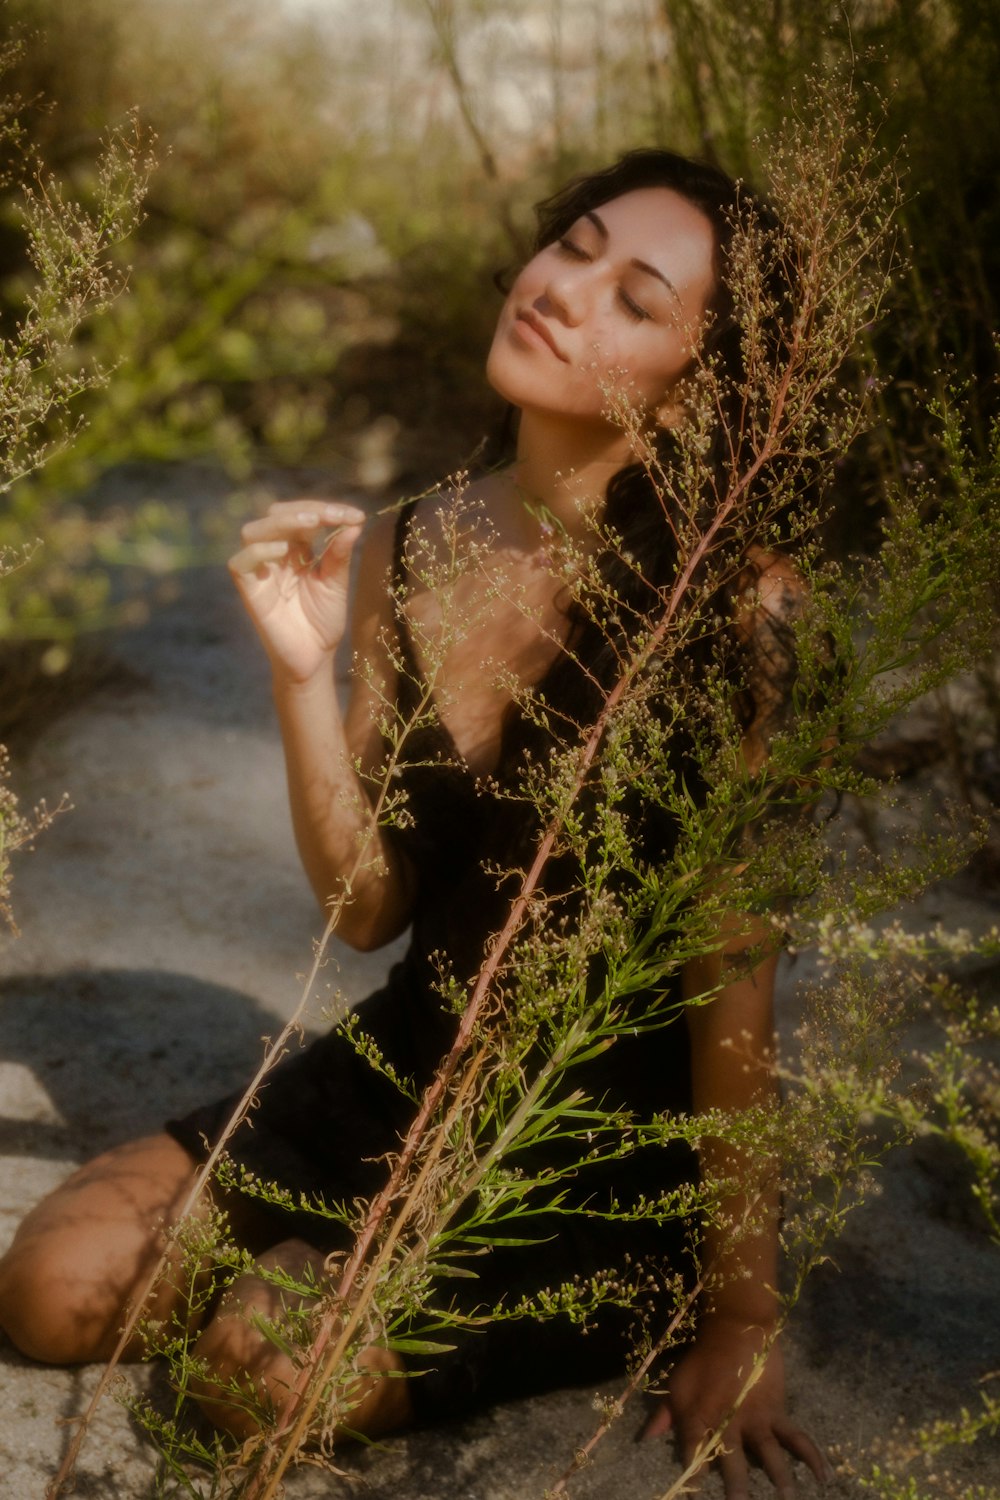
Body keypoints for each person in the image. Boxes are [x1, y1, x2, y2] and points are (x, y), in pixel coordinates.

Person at [0, 150, 829, 1497]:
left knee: (250, 1367)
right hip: (404, 1063)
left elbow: (734, 975)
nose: (566, 291)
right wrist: (297, 670)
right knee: (49, 1290)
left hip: (588, 1148)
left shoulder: (744, 616)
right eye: (574, 244)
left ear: (695, 396)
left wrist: (744, 1315)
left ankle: (630, 1294)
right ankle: (328, 1257)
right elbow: (368, 909)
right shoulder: (411, 540)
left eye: (634, 296)